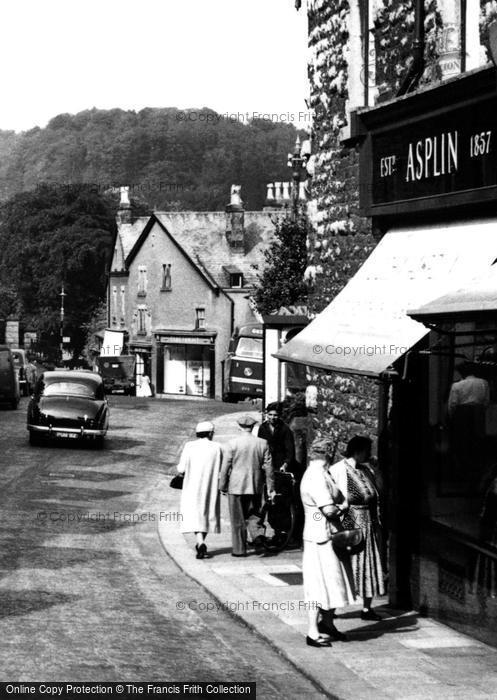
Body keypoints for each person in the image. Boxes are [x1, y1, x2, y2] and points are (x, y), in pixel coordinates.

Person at [300, 443, 357, 647]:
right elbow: (328, 510)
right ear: (328, 453)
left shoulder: (321, 473)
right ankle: (313, 632)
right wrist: (344, 507)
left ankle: (328, 624)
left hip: (328, 535)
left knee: (333, 583)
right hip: (320, 537)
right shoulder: (316, 476)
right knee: (318, 585)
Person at [328, 435, 385, 621]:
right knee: (345, 565)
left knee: (368, 564)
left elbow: (380, 492)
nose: (370, 454)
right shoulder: (338, 470)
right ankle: (332, 608)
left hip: (367, 523)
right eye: (367, 450)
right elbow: (331, 498)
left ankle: (367, 608)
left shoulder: (366, 470)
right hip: (349, 522)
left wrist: (377, 471)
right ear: (358, 451)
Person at [219, 415, 275, 557]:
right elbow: (269, 468)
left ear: (239, 427)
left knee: (237, 519)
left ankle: (239, 550)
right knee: (255, 515)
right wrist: (270, 487)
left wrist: (222, 485)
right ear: (253, 427)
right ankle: (258, 537)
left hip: (236, 485)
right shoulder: (263, 443)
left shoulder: (232, 444)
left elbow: (225, 467)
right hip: (255, 484)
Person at [177, 421, 223, 559]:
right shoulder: (218, 447)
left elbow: (181, 469)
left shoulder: (189, 446)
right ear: (210, 433)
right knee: (207, 514)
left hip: (191, 486)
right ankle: (201, 542)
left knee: (194, 514)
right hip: (210, 486)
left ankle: (200, 542)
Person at [258, 403, 298, 546]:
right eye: (270, 415)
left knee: (282, 501)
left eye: (275, 415)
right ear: (266, 414)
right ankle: (274, 530)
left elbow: (290, 450)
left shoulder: (285, 429)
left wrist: (285, 464)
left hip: (280, 469)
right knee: (270, 500)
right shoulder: (262, 428)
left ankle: (283, 532)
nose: (273, 418)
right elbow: (261, 447)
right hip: (267, 469)